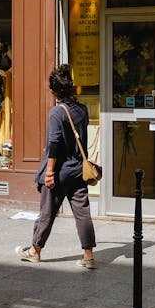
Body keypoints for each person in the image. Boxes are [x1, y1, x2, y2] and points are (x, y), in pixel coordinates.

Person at [17, 64, 97, 269]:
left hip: (60, 171)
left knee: (47, 212)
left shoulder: (56, 113)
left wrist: (49, 172)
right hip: (79, 169)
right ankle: (88, 256)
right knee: (83, 212)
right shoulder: (82, 110)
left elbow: (54, 144)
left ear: (53, 91)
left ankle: (35, 250)